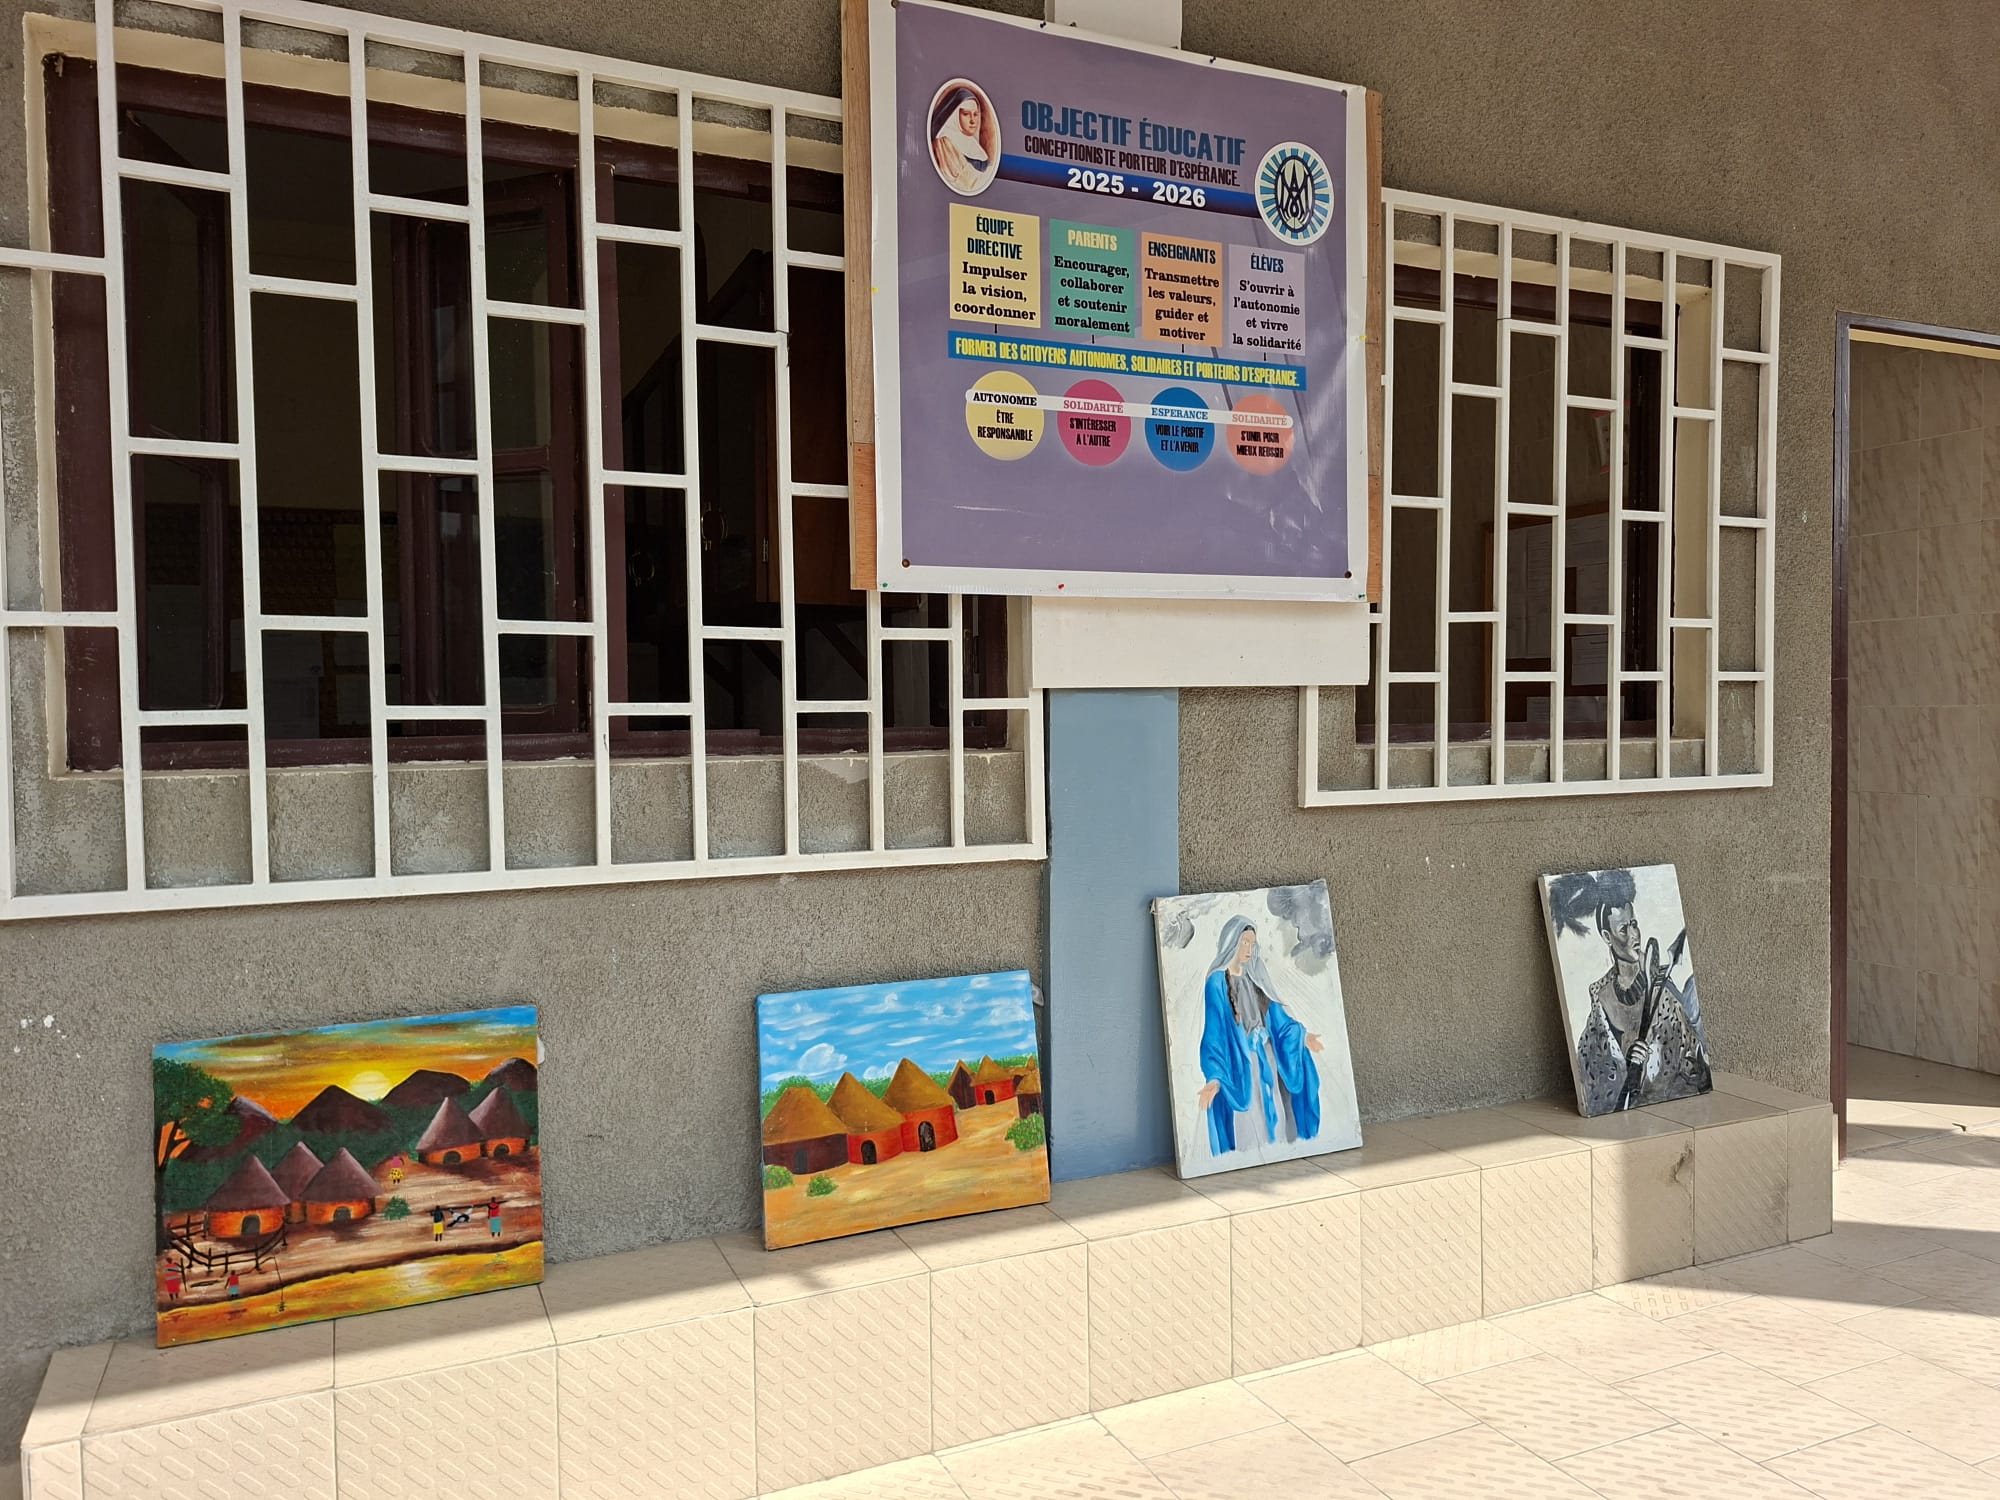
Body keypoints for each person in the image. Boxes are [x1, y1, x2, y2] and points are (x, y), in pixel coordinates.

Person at [1195, 918, 1324, 1155]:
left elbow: (1278, 1019)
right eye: (1244, 942)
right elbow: (1213, 1035)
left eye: (1252, 943)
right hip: (1242, 1066)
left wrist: (1302, 1037)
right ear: (1231, 942)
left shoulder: (1254, 978)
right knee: (1251, 1120)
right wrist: (1214, 1077)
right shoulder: (1216, 982)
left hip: (1268, 1059)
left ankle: (1277, 1155)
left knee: (1275, 1111)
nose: (1248, 949)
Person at [1575, 900, 1711, 1113]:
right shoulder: (1600, 999)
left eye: (1634, 924)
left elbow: (1694, 1055)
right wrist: (1628, 1065)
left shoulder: (1663, 985)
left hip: (1676, 1108)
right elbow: (1592, 1075)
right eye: (1623, 929)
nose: (1634, 935)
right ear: (1607, 937)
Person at [930, 85, 992, 192]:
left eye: (975, 114)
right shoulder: (944, 143)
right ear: (954, 115)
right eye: (966, 114)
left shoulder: (973, 143)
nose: (973, 121)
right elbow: (967, 183)